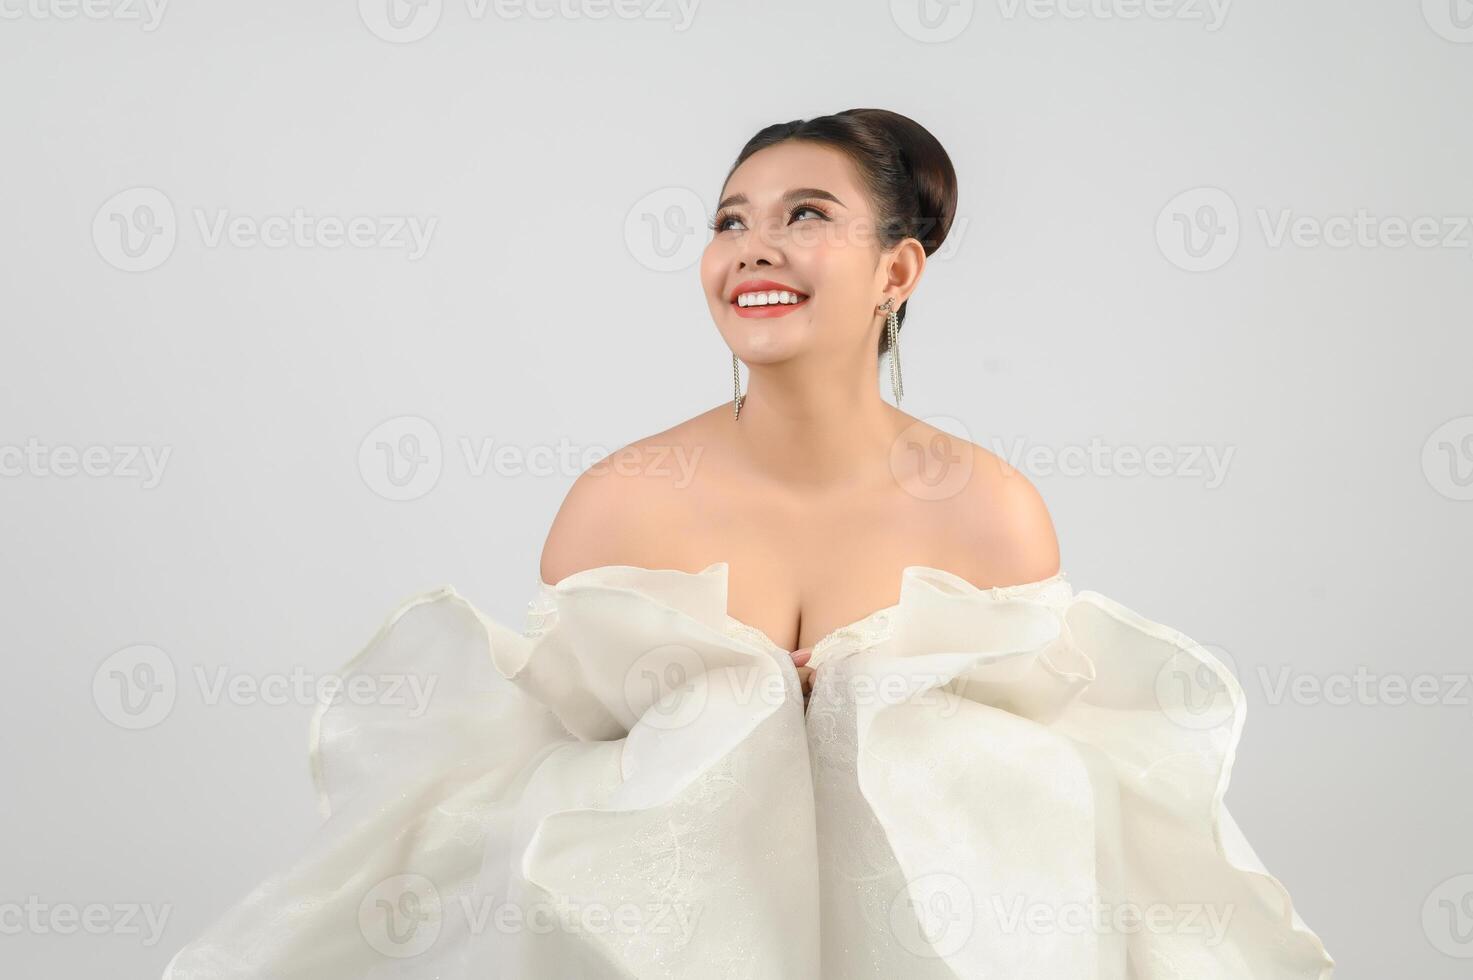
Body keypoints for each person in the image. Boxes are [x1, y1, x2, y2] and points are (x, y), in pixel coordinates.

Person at [163, 109, 1334, 978]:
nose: (752, 247)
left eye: (804, 216)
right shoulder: (622, 501)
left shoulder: (989, 510)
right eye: (731, 220)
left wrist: (887, 715)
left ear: (897, 270)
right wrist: (729, 715)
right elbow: (535, 790)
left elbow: (1054, 822)